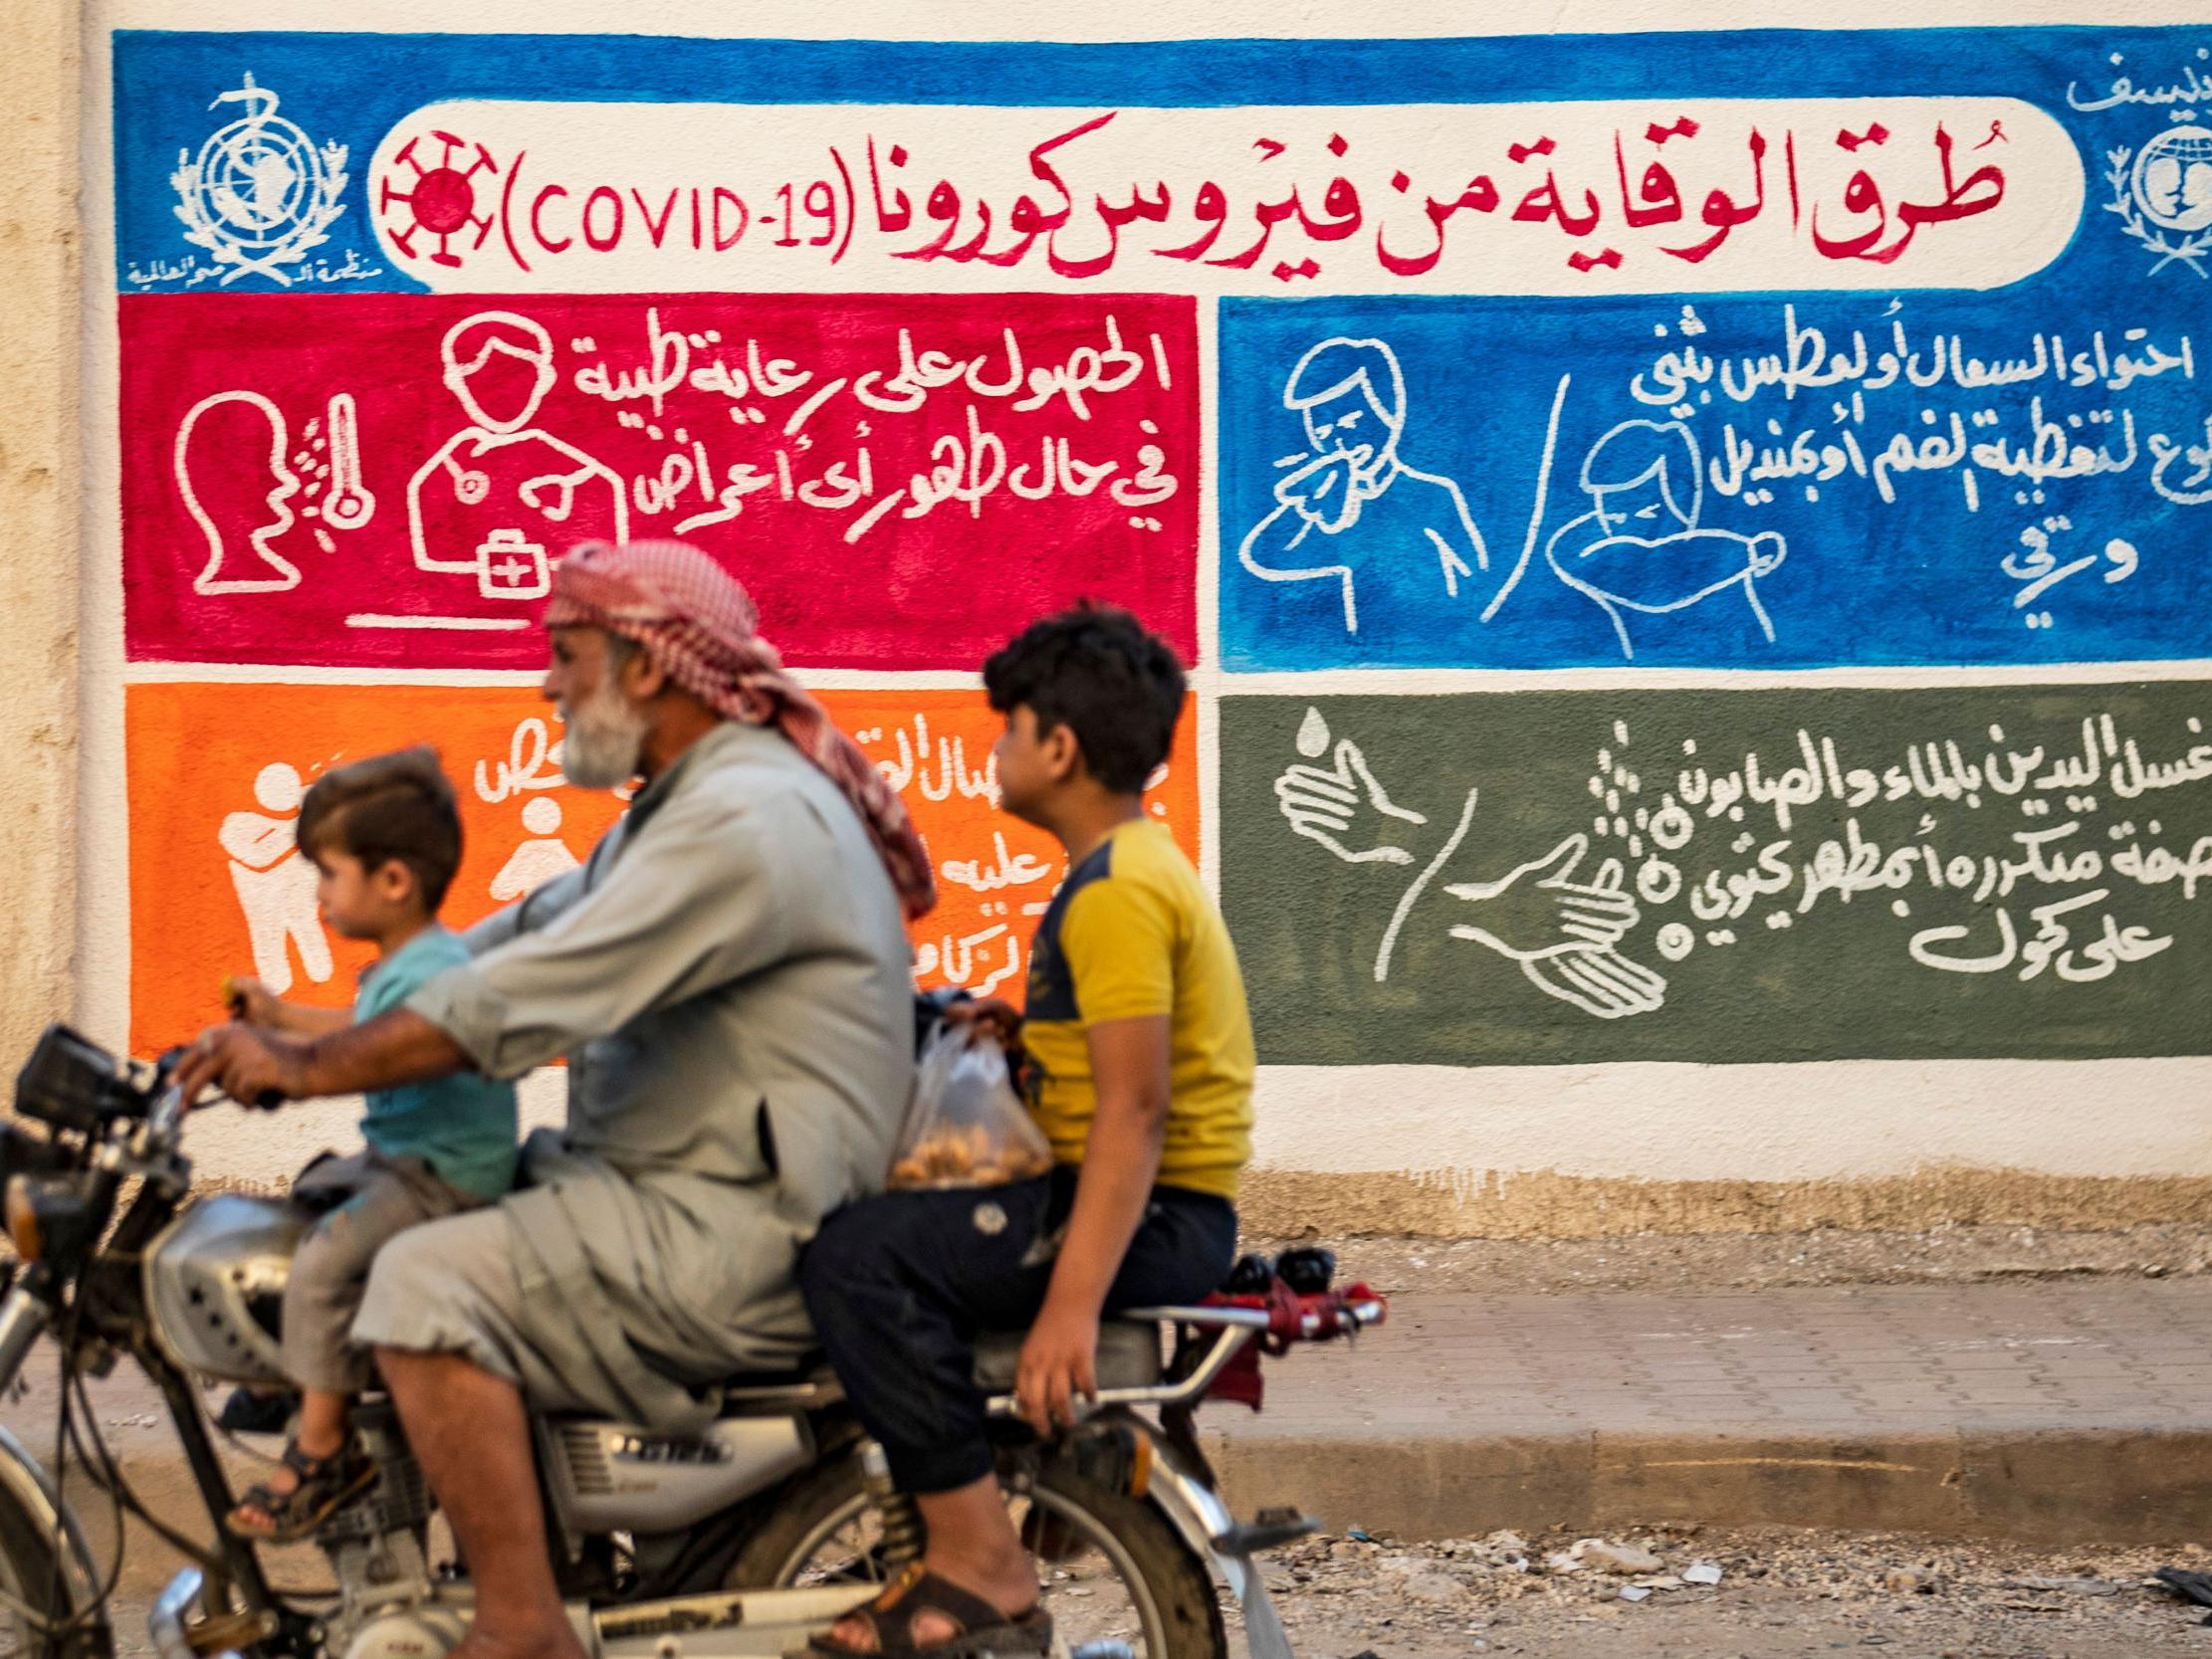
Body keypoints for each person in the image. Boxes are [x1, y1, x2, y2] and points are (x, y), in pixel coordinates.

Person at [176, 538, 933, 1659]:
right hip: (667, 1186)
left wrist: (307, 1070)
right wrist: (293, 1026)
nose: (545, 684)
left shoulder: (740, 820)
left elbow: (523, 1000)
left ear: (646, 666)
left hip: (726, 1222)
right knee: (386, 1210)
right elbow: (497, 951)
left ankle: (520, 1621)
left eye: (565, 655)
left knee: (420, 1278)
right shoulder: (675, 811)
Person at [799, 604, 1253, 1656]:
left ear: (1057, 747)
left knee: (856, 1261)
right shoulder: (1132, 869)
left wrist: (1069, 1306)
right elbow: (1115, 1062)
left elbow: (1138, 1107)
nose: (992, 750)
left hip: (1153, 1216)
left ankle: (977, 1552)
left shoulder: (1117, 894)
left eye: (1006, 727)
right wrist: (1024, 1035)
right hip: (1155, 1203)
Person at [220, 748, 519, 1543]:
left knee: (323, 1258)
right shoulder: (409, 962)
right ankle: (310, 1370)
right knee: (306, 1197)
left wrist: (284, 1064)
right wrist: (279, 1020)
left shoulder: (433, 971)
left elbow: (368, 1055)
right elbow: (362, 1036)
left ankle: (322, 1446)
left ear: (392, 882)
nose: (316, 895)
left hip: (442, 1176)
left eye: (327, 874)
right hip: (405, 1157)